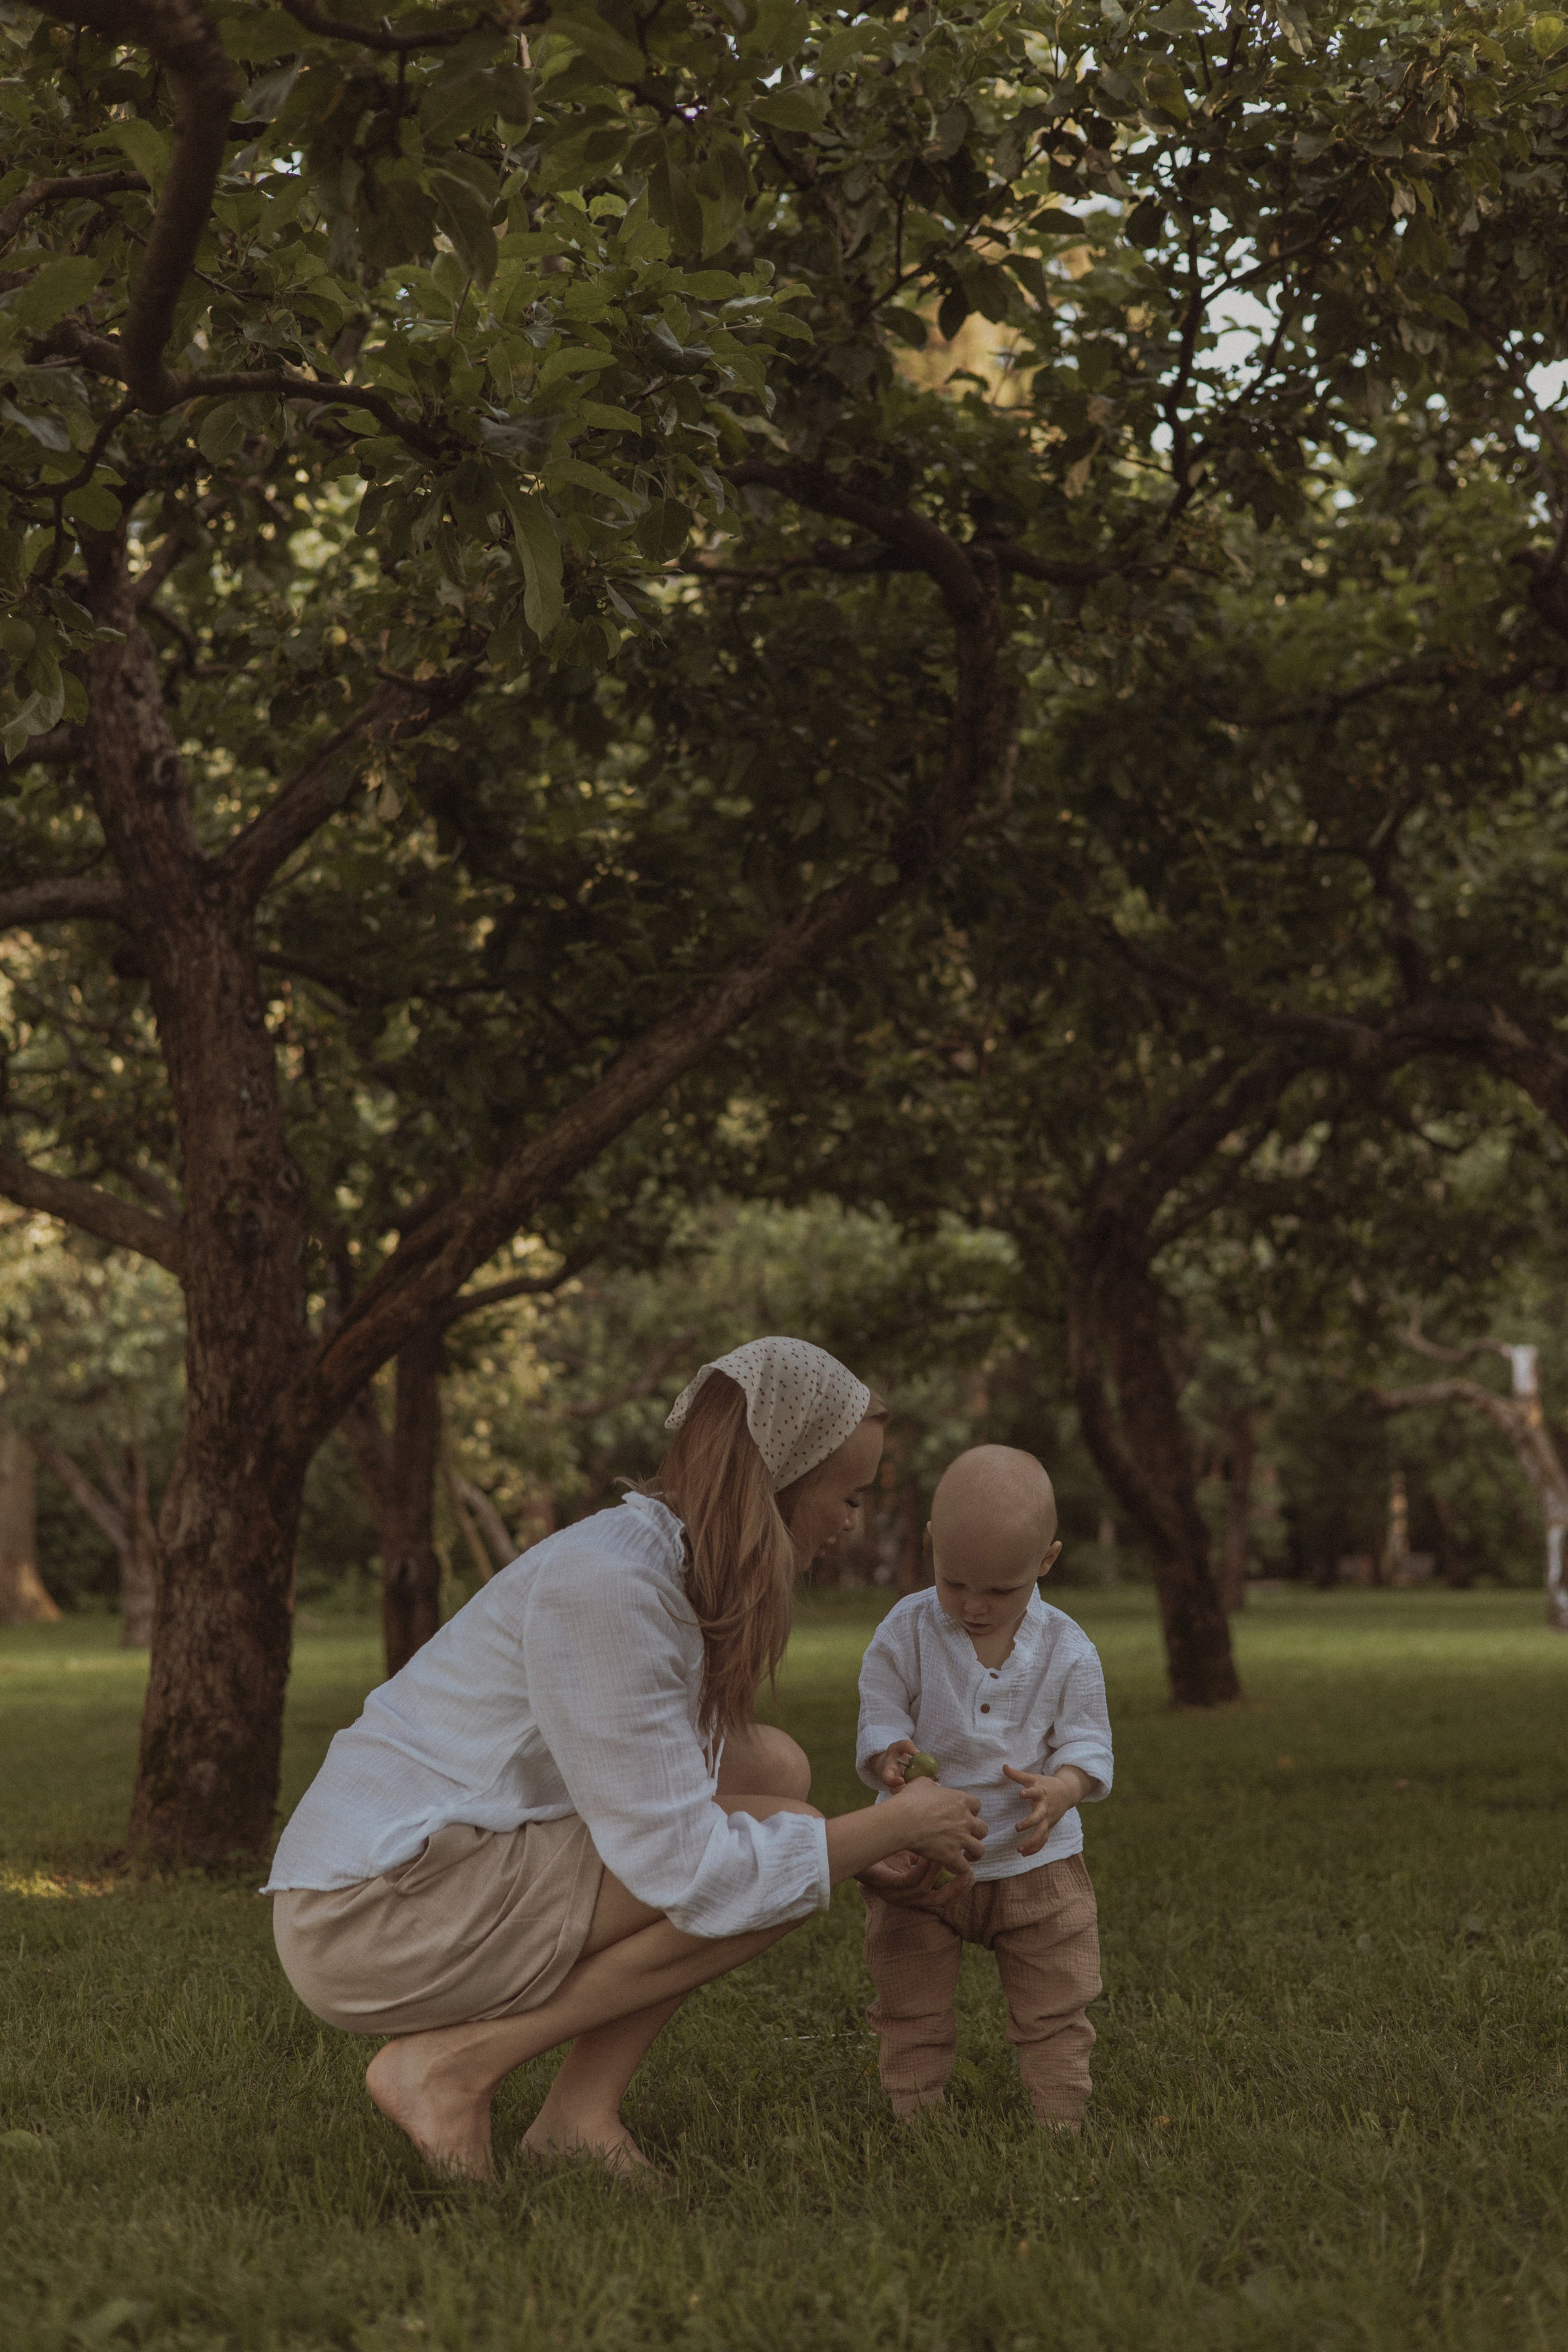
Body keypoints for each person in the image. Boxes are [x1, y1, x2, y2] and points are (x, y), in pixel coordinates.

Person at [265, 1336, 984, 2182]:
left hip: (430, 1868)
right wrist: (883, 1828)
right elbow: (688, 1871)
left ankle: (577, 2116)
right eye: (849, 1496)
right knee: (780, 1856)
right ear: (783, 1482)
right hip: (368, 1915)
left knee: (777, 1772)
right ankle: (449, 2071)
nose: (852, 1522)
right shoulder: (610, 1587)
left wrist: (861, 1849)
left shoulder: (655, 1563)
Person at [854, 1444, 1114, 2130]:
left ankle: (1060, 2117)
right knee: (909, 2000)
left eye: (1000, 1591)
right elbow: (879, 1705)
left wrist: (1064, 1787)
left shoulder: (1067, 1647)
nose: (973, 1606)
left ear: (1046, 1562)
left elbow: (1088, 1741)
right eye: (954, 1583)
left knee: (1057, 2001)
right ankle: (917, 2115)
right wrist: (888, 1752)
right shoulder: (906, 1629)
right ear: (933, 1548)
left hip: (1036, 1862)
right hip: (921, 1861)